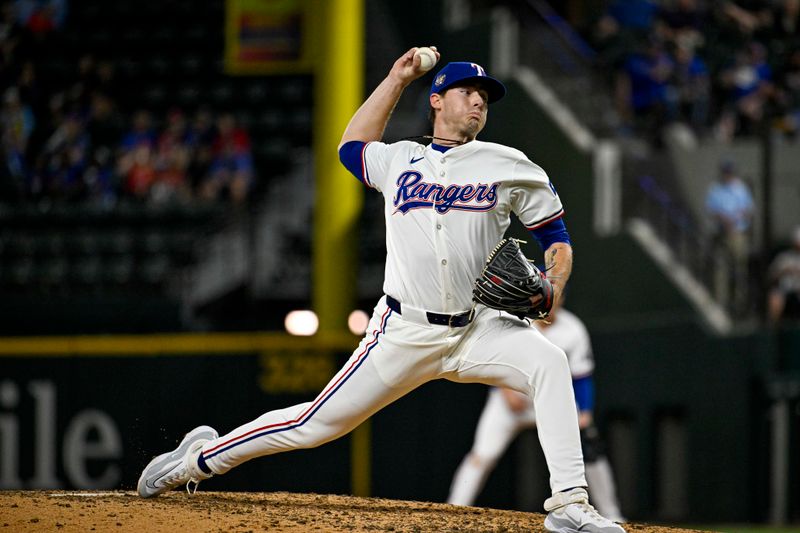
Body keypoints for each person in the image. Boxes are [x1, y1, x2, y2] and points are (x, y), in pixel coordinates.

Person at [137, 48, 625, 533]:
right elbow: (350, 146)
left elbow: (555, 237)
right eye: (467, 92)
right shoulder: (400, 159)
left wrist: (554, 282)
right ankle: (198, 459)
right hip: (404, 329)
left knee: (550, 363)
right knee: (314, 425)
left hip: (478, 328)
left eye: (484, 96)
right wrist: (396, 78)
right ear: (437, 99)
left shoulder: (508, 164)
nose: (478, 102)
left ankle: (569, 504)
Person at [447, 307, 625, 524]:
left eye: (558, 295)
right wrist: (502, 390)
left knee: (591, 449)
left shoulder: (572, 328)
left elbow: (581, 376)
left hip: (553, 402)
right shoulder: (512, 319)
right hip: (512, 403)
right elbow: (490, 359)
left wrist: (585, 411)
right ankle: (455, 507)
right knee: (483, 455)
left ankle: (612, 513)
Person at [704, 158, 754, 312]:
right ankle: (720, 303)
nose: (727, 175)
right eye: (725, 172)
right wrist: (724, 220)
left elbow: (749, 210)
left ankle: (739, 303)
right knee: (721, 268)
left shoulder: (741, 189)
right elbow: (711, 210)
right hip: (720, 233)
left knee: (739, 267)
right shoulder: (715, 189)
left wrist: (735, 219)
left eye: (730, 172)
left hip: (738, 233)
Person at [767, 226, 800, 324]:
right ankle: (774, 328)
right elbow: (771, 276)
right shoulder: (784, 257)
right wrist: (784, 271)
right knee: (775, 297)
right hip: (785, 289)